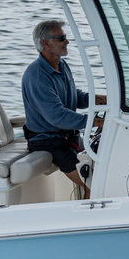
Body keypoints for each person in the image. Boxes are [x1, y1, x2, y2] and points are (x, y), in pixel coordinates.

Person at [21, 20, 104, 198]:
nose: (67, 42)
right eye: (62, 38)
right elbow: (57, 116)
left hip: (69, 137)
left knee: (102, 168)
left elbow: (75, 97)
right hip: (49, 141)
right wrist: (96, 122)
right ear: (45, 43)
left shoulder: (61, 65)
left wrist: (102, 100)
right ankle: (88, 222)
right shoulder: (37, 76)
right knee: (96, 183)